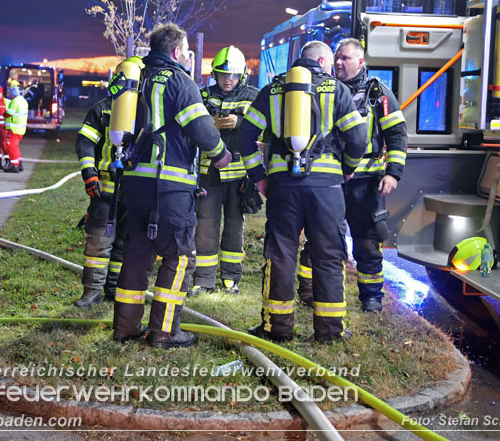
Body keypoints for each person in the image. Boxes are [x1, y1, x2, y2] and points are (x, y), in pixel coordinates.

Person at [239, 41, 367, 343]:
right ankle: (331, 332)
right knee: (328, 256)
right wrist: (346, 167)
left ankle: (276, 328)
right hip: (327, 188)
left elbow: (246, 136)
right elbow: (358, 138)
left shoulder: (272, 91)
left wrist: (259, 176)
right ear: (322, 60)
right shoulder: (337, 90)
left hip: (283, 186)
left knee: (280, 255)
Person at [113, 23, 231, 348]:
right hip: (169, 186)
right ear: (177, 52)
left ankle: (124, 328)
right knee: (179, 257)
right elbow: (204, 132)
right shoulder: (181, 81)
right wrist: (222, 155)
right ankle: (164, 332)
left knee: (136, 255)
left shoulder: (134, 79)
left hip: (134, 185)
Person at [333, 38, 407, 312]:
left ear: (361, 62)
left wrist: (393, 174)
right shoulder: (327, 91)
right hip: (332, 181)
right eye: (337, 57)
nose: (339, 63)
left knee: (367, 243)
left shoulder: (378, 95)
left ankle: (372, 298)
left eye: (346, 58)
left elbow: (397, 135)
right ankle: (319, 294)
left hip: (366, 184)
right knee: (326, 239)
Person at [191, 46, 258, 296]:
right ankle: (204, 279)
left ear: (242, 75)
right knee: (205, 224)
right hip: (209, 172)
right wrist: (211, 123)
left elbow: (263, 130)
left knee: (234, 225)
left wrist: (240, 122)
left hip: (239, 174)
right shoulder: (202, 95)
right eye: (222, 74)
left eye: (232, 75)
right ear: (214, 74)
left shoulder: (253, 96)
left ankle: (230, 278)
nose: (227, 79)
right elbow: (193, 125)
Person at [73, 61, 138, 307]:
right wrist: (89, 172)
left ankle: (112, 289)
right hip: (105, 189)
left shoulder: (146, 112)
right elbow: (85, 141)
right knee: (98, 242)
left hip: (132, 191)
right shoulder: (102, 110)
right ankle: (92, 292)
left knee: (124, 242)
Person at [4, 79, 28, 173]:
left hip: (14, 129)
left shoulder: (15, 102)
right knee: (15, 146)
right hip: (21, 129)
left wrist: (4, 113)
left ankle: (14, 165)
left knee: (11, 146)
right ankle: (19, 163)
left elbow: (8, 113)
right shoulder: (23, 101)